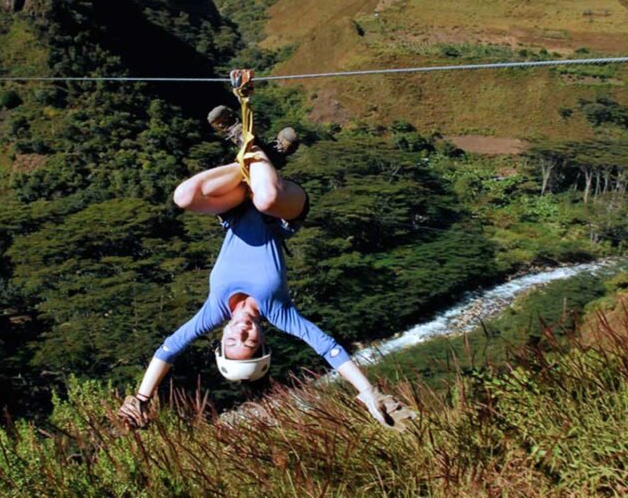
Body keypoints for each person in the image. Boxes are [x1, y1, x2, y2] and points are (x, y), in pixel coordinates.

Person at [118, 106, 416, 430]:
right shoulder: (280, 313)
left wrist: (142, 398)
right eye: (248, 343)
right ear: (261, 339)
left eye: (233, 343)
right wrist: (369, 393)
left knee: (183, 196)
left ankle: (252, 150)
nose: (241, 333)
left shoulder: (212, 311)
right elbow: (328, 348)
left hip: (234, 205)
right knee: (266, 197)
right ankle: (261, 156)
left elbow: (169, 349)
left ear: (222, 340)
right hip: (284, 210)